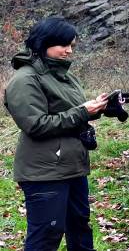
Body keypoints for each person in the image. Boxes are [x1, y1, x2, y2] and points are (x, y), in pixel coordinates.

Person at [4, 16, 110, 250]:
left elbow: (70, 112)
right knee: (46, 237)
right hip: (44, 173)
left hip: (72, 166)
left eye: (72, 45)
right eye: (64, 45)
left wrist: (99, 108)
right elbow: (36, 125)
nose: (69, 51)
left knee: (80, 229)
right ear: (44, 43)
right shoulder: (24, 80)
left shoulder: (63, 75)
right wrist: (83, 112)